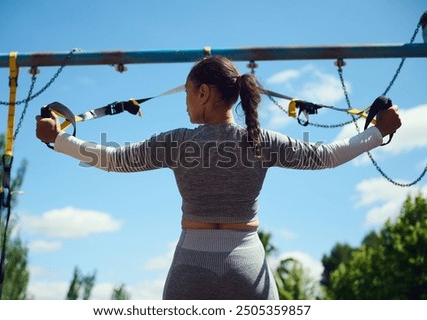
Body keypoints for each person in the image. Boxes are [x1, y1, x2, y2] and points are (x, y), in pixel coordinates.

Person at [36, 56, 401, 300]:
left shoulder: (178, 142)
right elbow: (327, 157)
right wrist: (377, 133)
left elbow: (112, 159)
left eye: (187, 92)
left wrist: (58, 140)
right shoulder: (262, 141)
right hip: (248, 265)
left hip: (190, 264)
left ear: (204, 93)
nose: (185, 102)